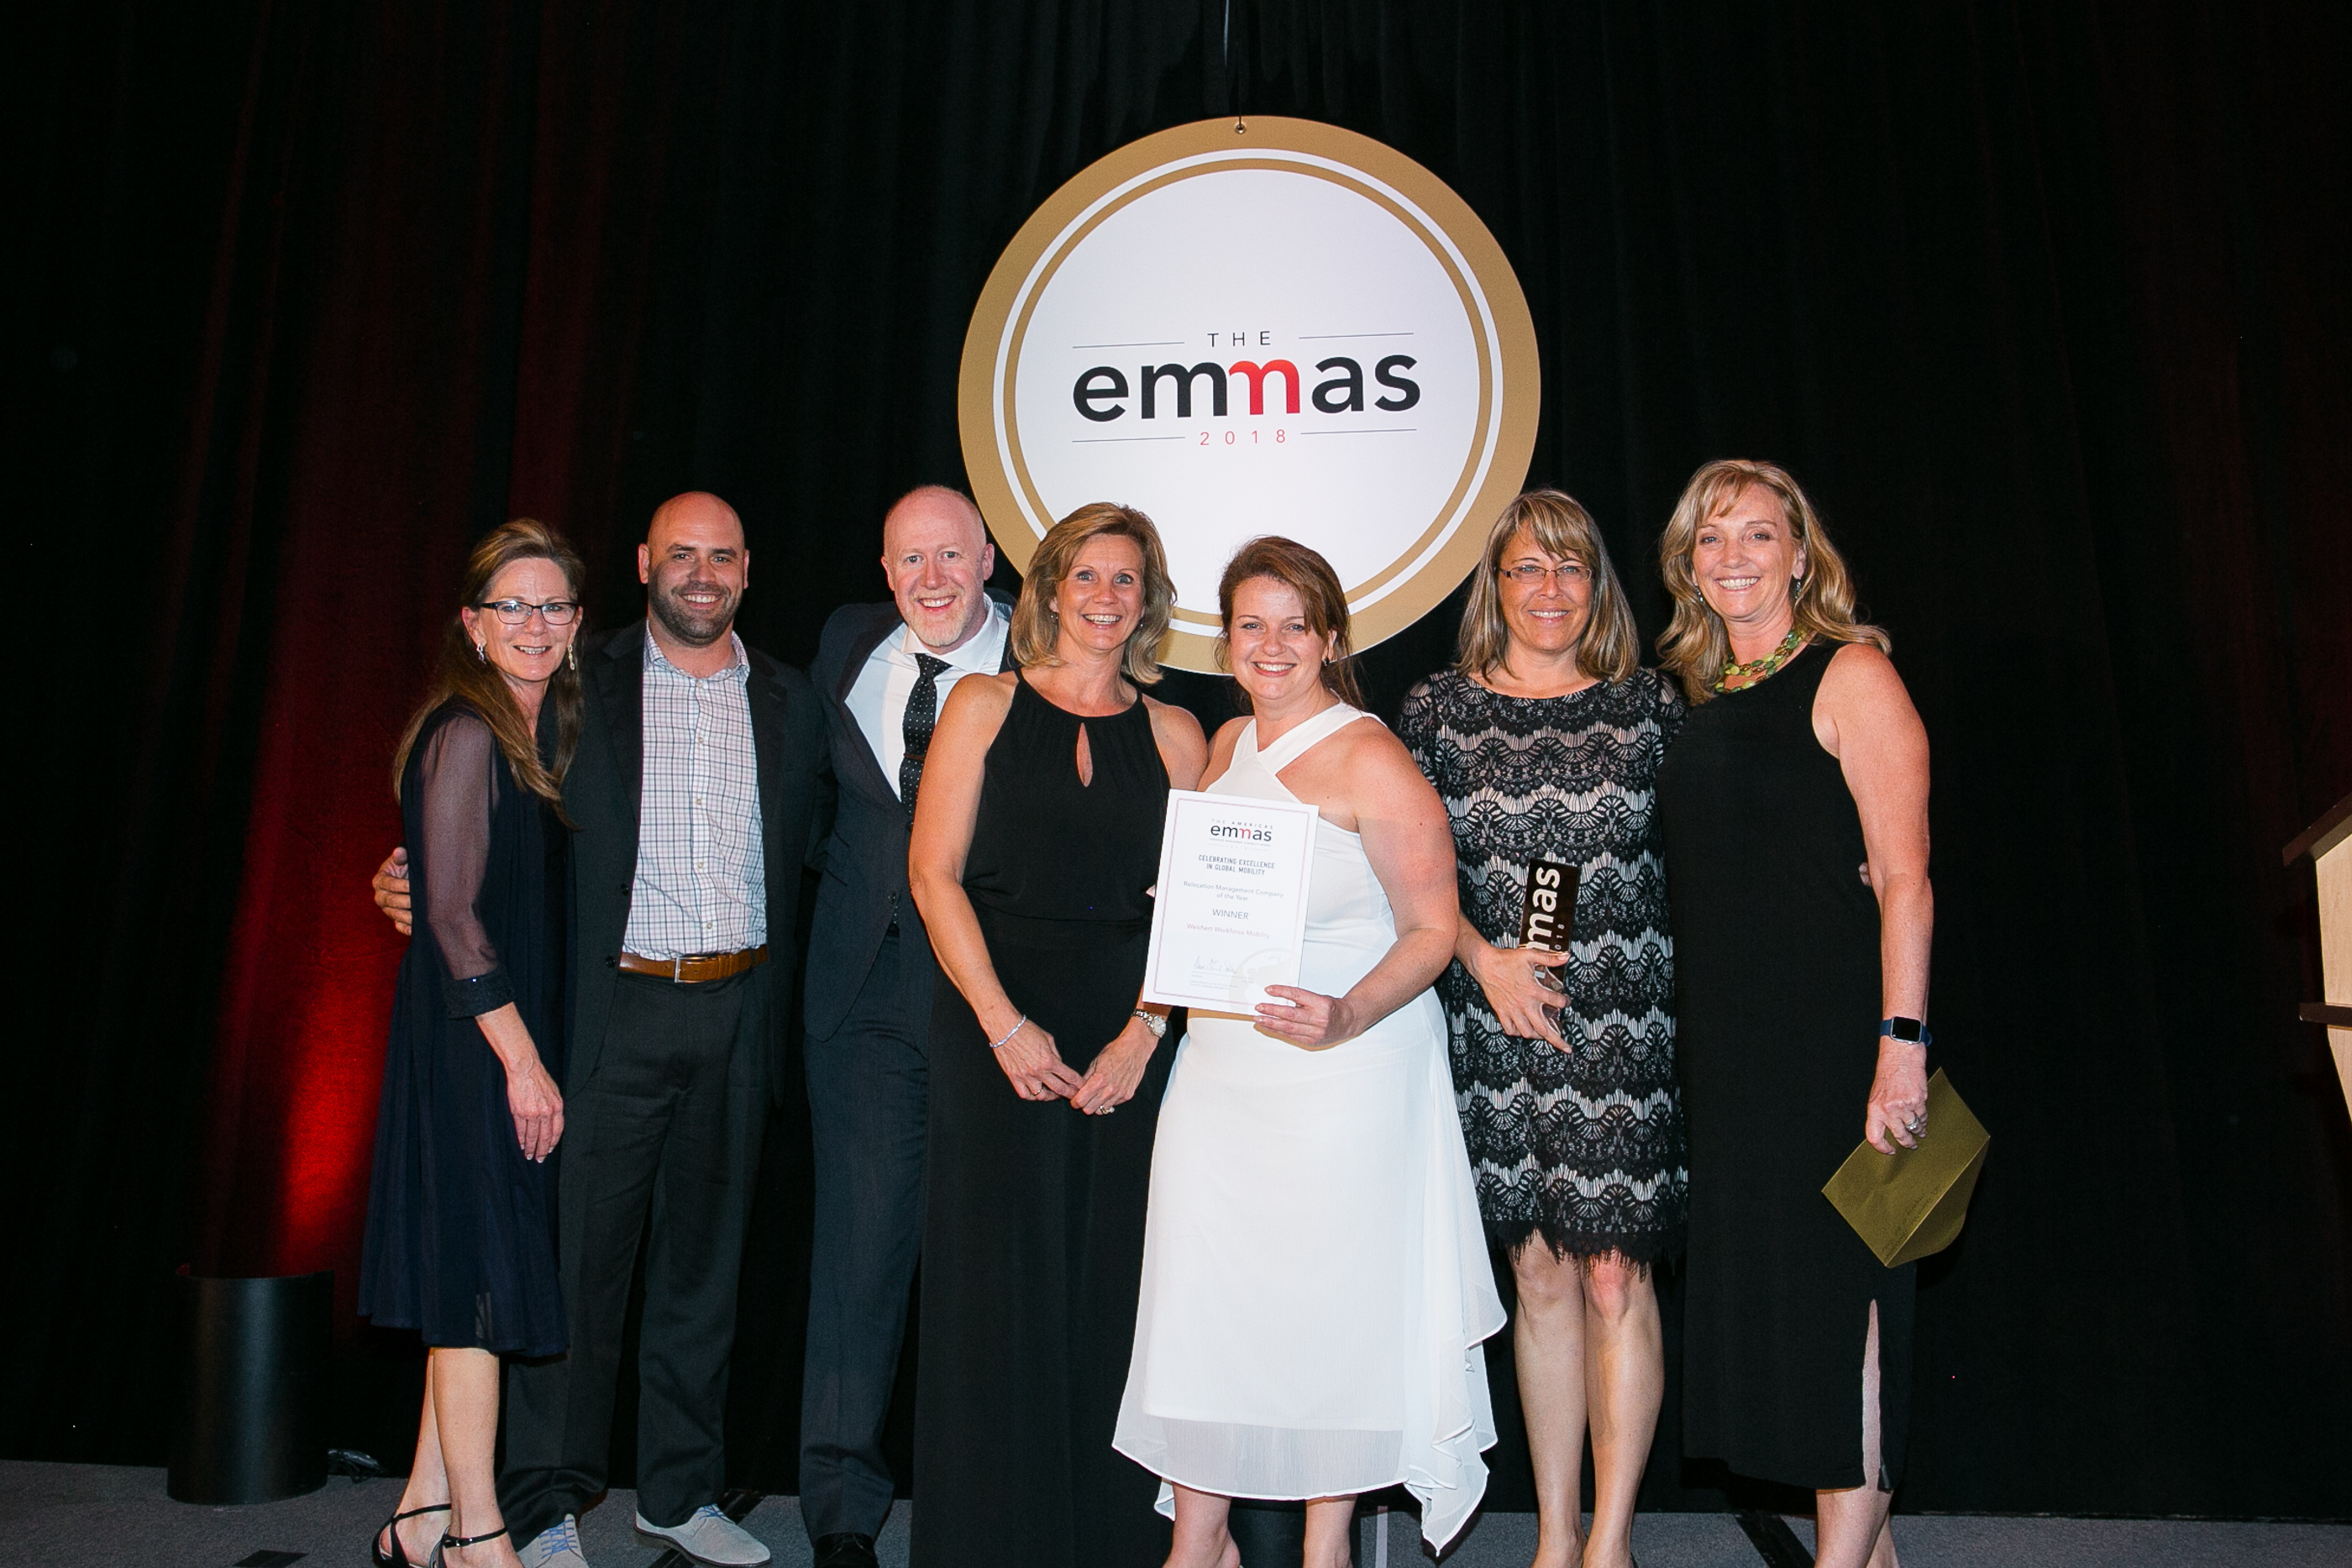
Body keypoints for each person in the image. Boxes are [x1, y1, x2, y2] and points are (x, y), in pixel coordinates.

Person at [372, 493, 828, 1568]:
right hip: (608, 1016)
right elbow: (481, 818)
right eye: (682, 554)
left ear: (748, 570)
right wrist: (410, 878)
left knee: (702, 1277)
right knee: (573, 1275)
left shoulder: (793, 699)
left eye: (722, 555)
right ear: (642, 564)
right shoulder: (581, 679)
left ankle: (679, 1492)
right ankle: (539, 1505)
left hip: (738, 1012)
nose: (702, 573)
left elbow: (826, 845)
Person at [1115, 538, 1505, 1567]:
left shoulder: (1372, 756)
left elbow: (1432, 930)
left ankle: (1323, 1548)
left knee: (1331, 1311)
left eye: (1295, 625)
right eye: (1252, 624)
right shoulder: (1224, 740)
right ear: (1225, 639)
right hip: (1220, 1079)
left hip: (1345, 1079)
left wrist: (1347, 1013)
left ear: (1330, 638)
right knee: (1204, 1304)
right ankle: (1198, 1543)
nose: (1272, 644)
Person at [904, 502, 1207, 1568]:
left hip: (1126, 1034)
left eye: (1125, 579)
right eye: (1085, 575)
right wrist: (1003, 1027)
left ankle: (1111, 1543)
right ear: (1047, 589)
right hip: (993, 1025)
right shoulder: (982, 704)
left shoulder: (1178, 735)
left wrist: (1145, 1034)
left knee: (1115, 1285)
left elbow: (1196, 911)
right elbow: (932, 876)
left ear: (1148, 599)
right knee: (993, 1291)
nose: (1104, 597)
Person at [1397, 491, 1688, 1568]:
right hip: (1493, 1019)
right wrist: (1483, 960)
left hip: (1623, 1024)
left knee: (1614, 1273)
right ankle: (1554, 1533)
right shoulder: (1436, 710)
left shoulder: (1649, 705)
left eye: (1570, 566)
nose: (1549, 588)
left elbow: (1720, 839)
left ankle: (1609, 1540)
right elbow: (1404, 872)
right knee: (1540, 1274)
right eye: (1526, 567)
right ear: (1496, 585)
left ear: (1597, 584)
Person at [1651, 460, 1934, 1568]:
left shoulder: (1851, 672)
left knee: (1842, 1301)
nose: (1733, 557)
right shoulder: (1702, 692)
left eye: (1758, 535)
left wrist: (1899, 1045)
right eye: (1711, 539)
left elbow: (1905, 878)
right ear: (1688, 565)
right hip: (1737, 1055)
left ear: (1801, 556)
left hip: (1835, 1042)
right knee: (1797, 1316)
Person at [361, 519, 583, 1568]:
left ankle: (416, 1515)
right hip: (475, 1048)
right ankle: (476, 1534)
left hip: (496, 1035)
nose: (533, 624)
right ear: (472, 624)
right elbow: (450, 918)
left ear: (577, 622)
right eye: (512, 606)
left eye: (552, 605)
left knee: (470, 1271)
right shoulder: (464, 733)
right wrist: (524, 1064)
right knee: (478, 1289)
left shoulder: (542, 731)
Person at [799, 485, 1011, 1568]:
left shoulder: (1048, 656)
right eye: (909, 559)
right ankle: (842, 1513)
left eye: (951, 555)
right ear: (884, 572)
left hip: (996, 1001)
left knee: (992, 1263)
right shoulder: (845, 643)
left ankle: (990, 1500)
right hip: (865, 996)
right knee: (858, 1258)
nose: (931, 579)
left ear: (989, 558)